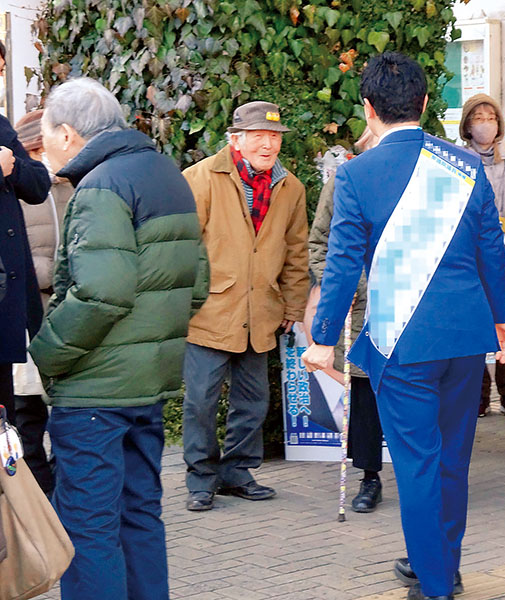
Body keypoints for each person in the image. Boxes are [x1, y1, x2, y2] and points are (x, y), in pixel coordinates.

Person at [302, 52, 505, 600]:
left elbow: (342, 263)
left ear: (369, 109)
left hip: (401, 343)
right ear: (426, 103)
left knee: (418, 467)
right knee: (452, 461)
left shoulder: (356, 174)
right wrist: (502, 318)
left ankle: (434, 585)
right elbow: (489, 251)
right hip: (465, 340)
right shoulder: (465, 166)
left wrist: (322, 340)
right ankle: (441, 564)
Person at [28, 77, 207, 600]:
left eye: (44, 133)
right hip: (148, 385)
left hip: (94, 394)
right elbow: (197, 284)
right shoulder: (166, 173)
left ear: (66, 133)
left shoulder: (102, 185)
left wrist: (47, 352)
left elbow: (102, 293)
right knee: (140, 518)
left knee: (88, 531)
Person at [181, 101, 309, 512]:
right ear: (235, 138)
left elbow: (296, 251)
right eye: (258, 135)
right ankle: (201, 477)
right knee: (200, 399)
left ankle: (237, 471)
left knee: (253, 400)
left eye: (274, 136)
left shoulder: (290, 187)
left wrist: (293, 303)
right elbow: (183, 248)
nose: (268, 144)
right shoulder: (200, 178)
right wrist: (189, 298)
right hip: (210, 311)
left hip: (262, 313)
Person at [308, 127, 385, 512]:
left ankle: (424, 474)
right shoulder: (343, 181)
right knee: (365, 392)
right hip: (360, 307)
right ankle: (370, 476)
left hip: (407, 306)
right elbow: (319, 243)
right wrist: (347, 282)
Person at [12, 109, 72, 496]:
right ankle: (41, 502)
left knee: (67, 417)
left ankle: (64, 497)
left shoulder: (73, 186)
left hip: (67, 319)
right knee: (26, 416)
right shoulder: (15, 188)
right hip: (24, 319)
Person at [459, 93, 505, 418]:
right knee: (473, 327)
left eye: (490, 118)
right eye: (478, 118)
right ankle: (478, 394)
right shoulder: (456, 159)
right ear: (467, 125)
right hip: (469, 258)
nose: (485, 124)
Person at [0, 40, 51, 427]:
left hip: (7, 300)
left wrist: (11, 166)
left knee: (8, 418)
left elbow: (37, 183)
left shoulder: (1, 127)